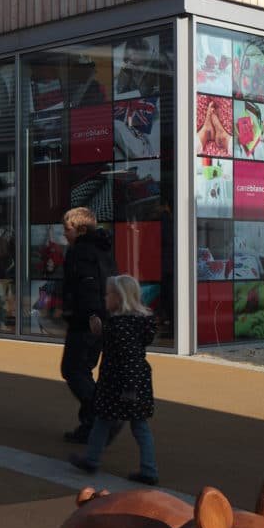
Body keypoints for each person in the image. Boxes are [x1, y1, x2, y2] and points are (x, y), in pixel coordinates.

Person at [68, 275, 159, 485]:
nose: (105, 297)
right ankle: (148, 469)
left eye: (108, 294)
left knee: (106, 422)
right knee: (137, 426)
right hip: (136, 383)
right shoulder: (137, 324)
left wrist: (129, 388)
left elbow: (127, 358)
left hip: (120, 385)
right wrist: (102, 331)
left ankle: (94, 460)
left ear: (119, 298)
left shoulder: (120, 326)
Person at [58, 206, 116, 444]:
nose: (65, 234)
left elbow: (88, 284)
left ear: (80, 229)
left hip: (87, 320)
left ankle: (101, 419)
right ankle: (91, 425)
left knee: (73, 370)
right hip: (102, 317)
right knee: (83, 369)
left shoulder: (80, 251)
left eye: (67, 229)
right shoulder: (102, 248)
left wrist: (91, 314)